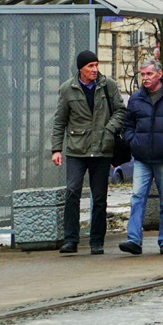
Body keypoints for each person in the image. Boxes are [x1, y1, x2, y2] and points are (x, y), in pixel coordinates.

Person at [50, 50, 125, 255]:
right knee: (72, 191)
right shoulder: (68, 89)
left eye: (96, 65)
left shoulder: (107, 85)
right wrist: (56, 148)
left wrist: (109, 129)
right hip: (77, 149)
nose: (94, 70)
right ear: (80, 69)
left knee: (99, 197)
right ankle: (71, 239)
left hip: (102, 149)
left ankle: (96, 241)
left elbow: (120, 110)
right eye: (90, 66)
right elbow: (59, 121)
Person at [119, 59, 163, 255]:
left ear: (159, 74)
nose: (145, 78)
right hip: (142, 158)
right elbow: (127, 126)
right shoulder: (136, 98)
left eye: (149, 74)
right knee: (137, 197)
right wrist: (133, 142)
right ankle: (134, 239)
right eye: (142, 74)